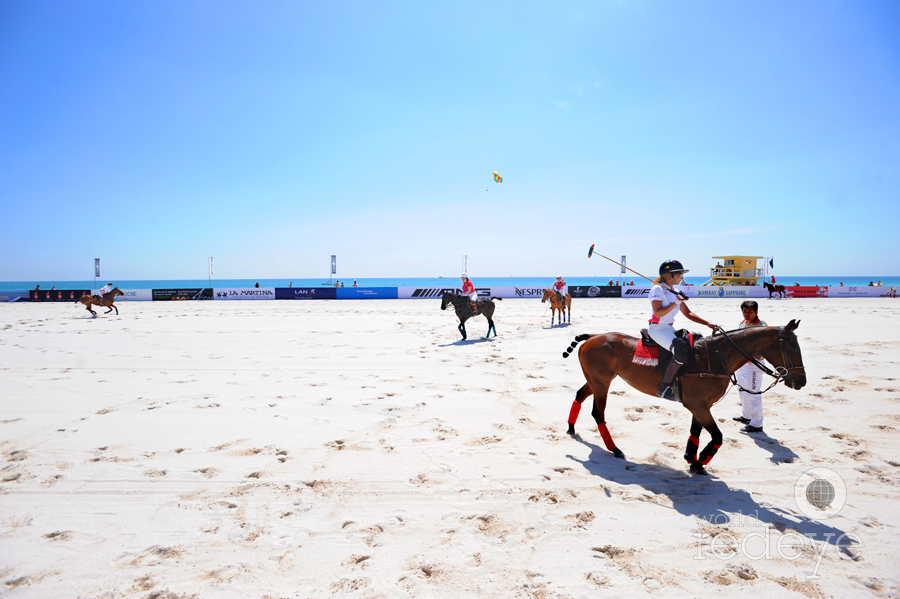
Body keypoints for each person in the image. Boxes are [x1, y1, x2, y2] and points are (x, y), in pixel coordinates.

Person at [647, 260, 717, 401]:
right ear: (669, 275)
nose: (682, 278)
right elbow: (658, 313)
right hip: (657, 328)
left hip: (669, 327)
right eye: (679, 274)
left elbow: (688, 313)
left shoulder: (675, 291)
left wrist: (707, 323)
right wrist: (676, 302)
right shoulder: (658, 289)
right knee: (679, 351)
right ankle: (664, 388)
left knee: (691, 346)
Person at [732, 301, 768, 434]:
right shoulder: (742, 323)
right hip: (741, 363)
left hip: (753, 365)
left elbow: (765, 345)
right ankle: (747, 416)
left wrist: (756, 358)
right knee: (742, 390)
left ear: (756, 312)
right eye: (745, 311)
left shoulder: (761, 326)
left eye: (750, 312)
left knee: (753, 393)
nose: (746, 314)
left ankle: (757, 424)